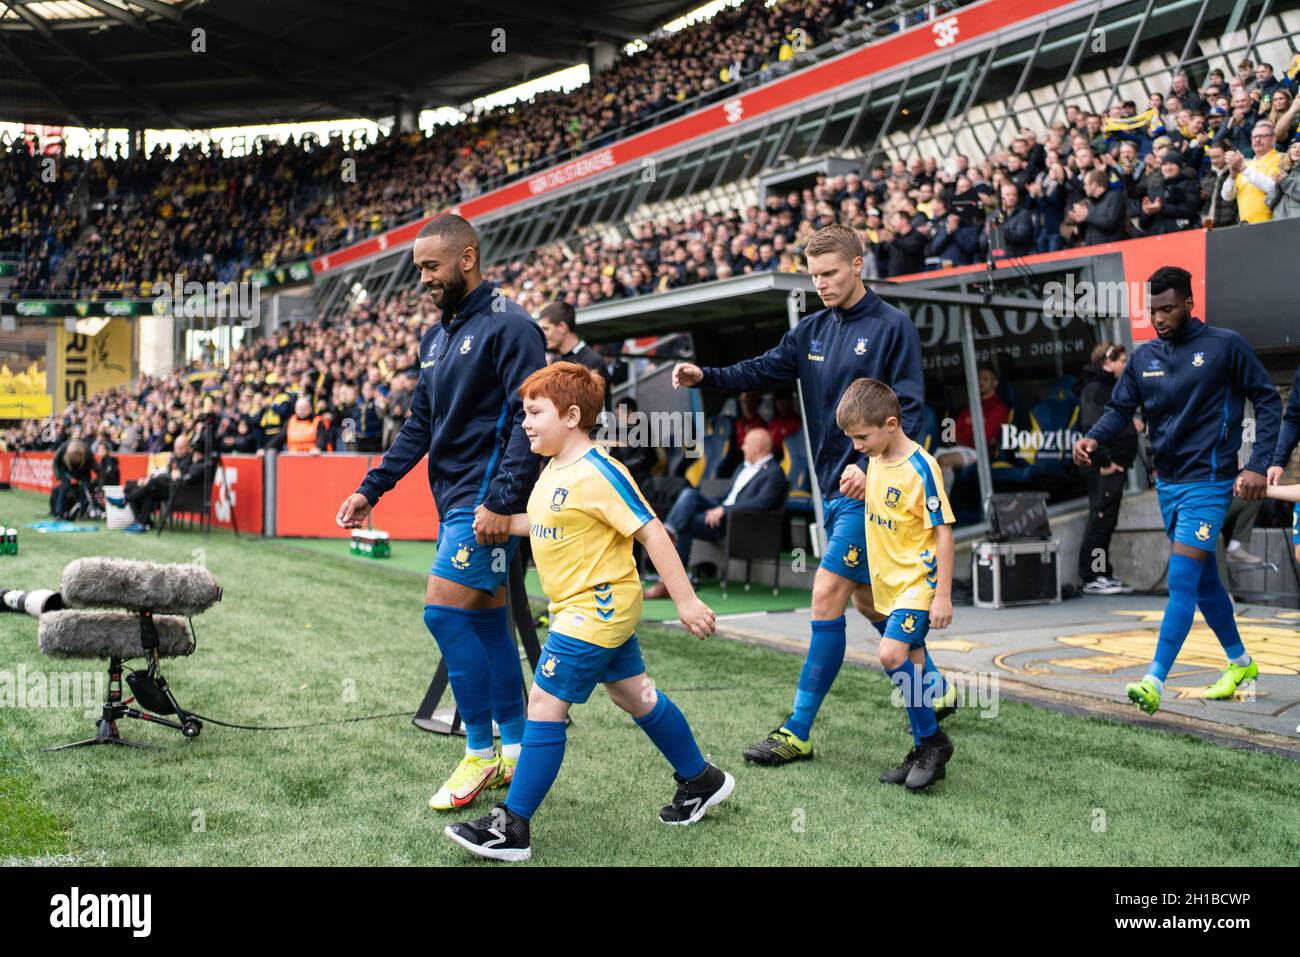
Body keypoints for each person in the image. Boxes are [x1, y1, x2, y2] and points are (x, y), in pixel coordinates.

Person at [672, 223, 953, 766]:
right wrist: (706, 374)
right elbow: (761, 369)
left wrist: (868, 468)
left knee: (826, 593)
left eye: (829, 272)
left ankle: (797, 730)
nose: (821, 283)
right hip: (833, 487)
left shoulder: (893, 327)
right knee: (870, 599)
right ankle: (934, 688)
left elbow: (912, 411)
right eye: (814, 274)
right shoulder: (811, 330)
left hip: (875, 492)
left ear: (857, 266)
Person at [444, 363, 731, 862]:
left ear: (572, 415)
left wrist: (685, 600)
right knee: (635, 697)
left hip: (595, 609)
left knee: (544, 705)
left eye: (535, 413)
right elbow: (545, 521)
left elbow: (652, 531)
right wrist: (497, 523)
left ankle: (511, 828)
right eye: (525, 413)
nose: (526, 423)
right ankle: (701, 779)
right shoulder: (553, 466)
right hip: (586, 608)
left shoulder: (601, 470)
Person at [336, 213, 546, 812]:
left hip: (485, 503)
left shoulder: (513, 327)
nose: (423, 279)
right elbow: (420, 425)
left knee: (441, 613)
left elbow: (528, 424)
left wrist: (500, 503)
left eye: (431, 267)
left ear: (467, 258)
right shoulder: (436, 338)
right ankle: (517, 745)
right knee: (485, 624)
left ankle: (478, 751)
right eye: (418, 270)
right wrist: (372, 488)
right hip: (454, 498)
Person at [1073, 266, 1280, 715]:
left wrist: (1260, 464)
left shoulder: (1225, 346)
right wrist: (1093, 438)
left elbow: (1267, 399)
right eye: (1152, 310)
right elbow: (1118, 409)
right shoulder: (1144, 357)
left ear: (1189, 304)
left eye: (1167, 308)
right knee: (1205, 584)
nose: (1159, 317)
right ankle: (1241, 663)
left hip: (1210, 484)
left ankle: (1154, 680)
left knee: (1181, 581)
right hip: (1167, 485)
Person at [837, 378, 956, 790]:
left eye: (862, 437)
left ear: (891, 424)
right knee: (915, 674)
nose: (857, 446)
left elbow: (943, 533)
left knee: (891, 656)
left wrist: (942, 596)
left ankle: (935, 742)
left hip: (918, 585)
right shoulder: (876, 458)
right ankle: (923, 747)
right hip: (890, 584)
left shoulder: (922, 466)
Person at [645, 426, 788, 597]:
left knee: (686, 521)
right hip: (722, 514)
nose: (742, 446)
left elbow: (762, 503)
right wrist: (717, 507)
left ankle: (669, 575)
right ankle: (670, 533)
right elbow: (728, 496)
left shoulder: (774, 473)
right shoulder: (742, 468)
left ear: (758, 447)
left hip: (738, 524)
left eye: (746, 443)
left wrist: (724, 510)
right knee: (690, 495)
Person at [1074, 342, 1138, 594]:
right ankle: (1093, 575)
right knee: (1100, 520)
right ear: (1108, 363)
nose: (1125, 365)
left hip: (1113, 466)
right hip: (1104, 468)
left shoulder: (1109, 388)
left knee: (1106, 520)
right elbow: (1091, 426)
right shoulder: (1096, 388)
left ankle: (1102, 572)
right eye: (1121, 360)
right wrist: (1105, 462)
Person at [51, 438, 97, 519]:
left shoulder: (88, 454)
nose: (75, 459)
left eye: (76, 458)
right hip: (67, 472)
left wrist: (95, 482)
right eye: (73, 457)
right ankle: (59, 513)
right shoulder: (63, 450)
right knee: (64, 488)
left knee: (85, 489)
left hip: (83, 473)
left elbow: (97, 468)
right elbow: (56, 464)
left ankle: (81, 514)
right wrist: (60, 476)